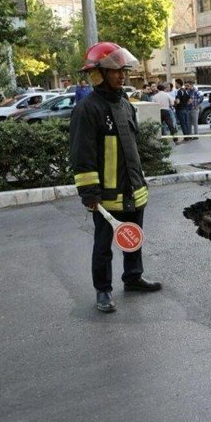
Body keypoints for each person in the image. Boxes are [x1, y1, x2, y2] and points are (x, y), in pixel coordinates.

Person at [69, 41, 162, 313]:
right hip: (106, 195)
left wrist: (140, 181)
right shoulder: (87, 109)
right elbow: (82, 154)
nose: (122, 76)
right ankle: (103, 290)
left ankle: (133, 277)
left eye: (124, 70)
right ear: (98, 74)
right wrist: (90, 193)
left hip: (132, 188)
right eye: (115, 71)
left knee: (132, 236)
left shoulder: (124, 104)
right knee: (103, 245)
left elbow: (131, 148)